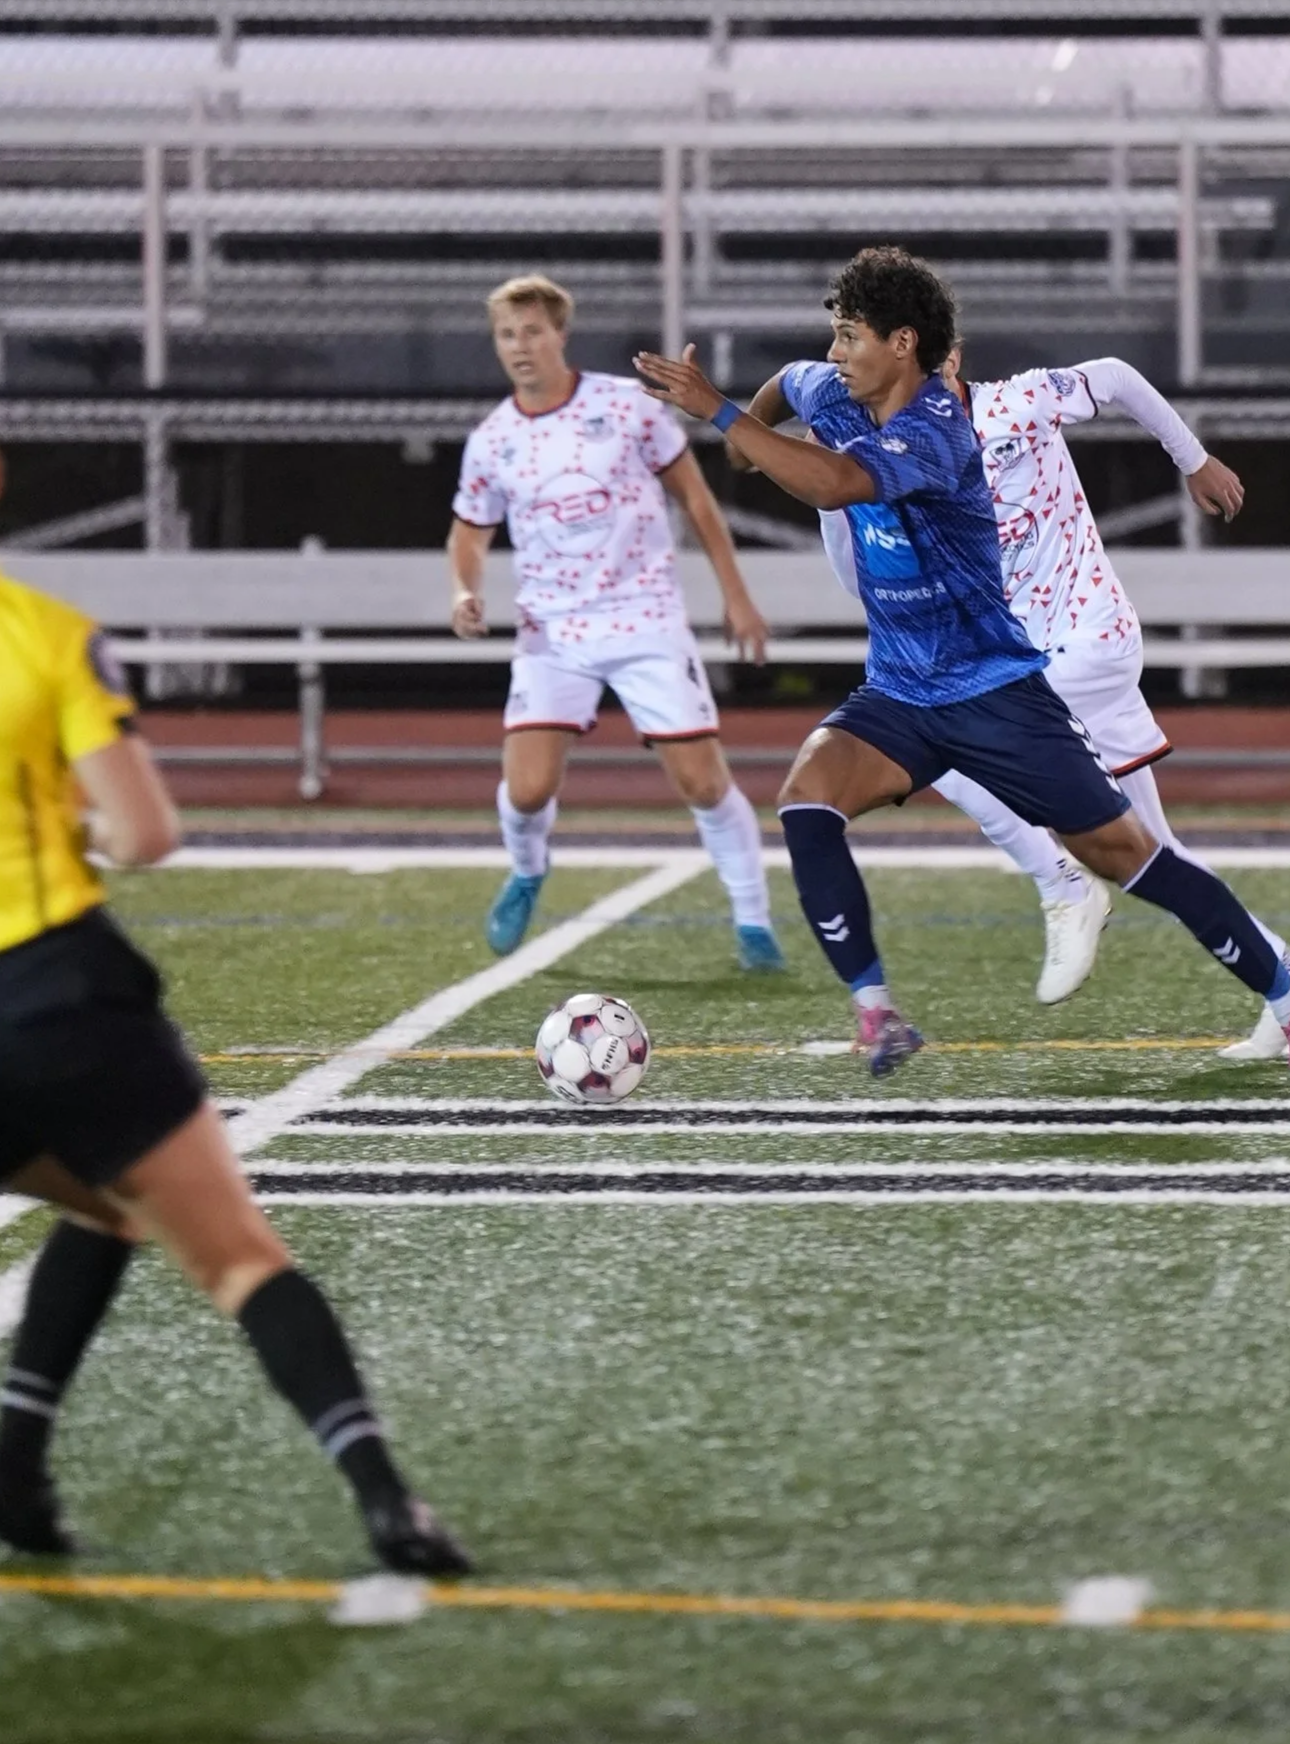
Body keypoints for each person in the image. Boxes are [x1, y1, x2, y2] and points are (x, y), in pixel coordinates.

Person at [636, 246, 1290, 1095]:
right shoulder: (834, 387)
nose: (835, 353)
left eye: (849, 336)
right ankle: (877, 1013)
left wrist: (720, 415)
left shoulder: (940, 431)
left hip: (994, 692)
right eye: (834, 333)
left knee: (1132, 854)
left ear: (904, 344)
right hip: (901, 690)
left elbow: (834, 483)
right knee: (806, 801)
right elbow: (789, 388)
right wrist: (745, 434)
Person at [0, 458, 468, 1571]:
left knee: (105, 1208)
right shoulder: (46, 635)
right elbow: (147, 833)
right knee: (236, 1258)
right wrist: (79, 823)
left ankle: (15, 1465)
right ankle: (387, 1502)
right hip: (55, 990)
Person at [806, 349, 1290, 1054]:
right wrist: (834, 511)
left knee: (951, 743)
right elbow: (855, 583)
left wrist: (1193, 458)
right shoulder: (889, 457)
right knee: (1151, 851)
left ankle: (1061, 882)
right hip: (1021, 662)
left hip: (1089, 640)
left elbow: (1114, 374)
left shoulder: (1016, 404)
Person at [448, 274, 783, 970]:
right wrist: (464, 590)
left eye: (532, 331)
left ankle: (754, 922)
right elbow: (470, 532)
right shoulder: (492, 441)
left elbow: (694, 498)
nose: (520, 346)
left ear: (560, 335)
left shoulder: (626, 408)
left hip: (643, 617)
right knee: (529, 787)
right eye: (507, 334)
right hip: (552, 633)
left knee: (701, 781)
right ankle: (528, 871)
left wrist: (736, 593)